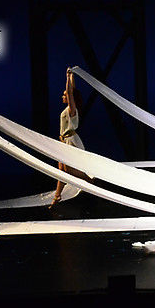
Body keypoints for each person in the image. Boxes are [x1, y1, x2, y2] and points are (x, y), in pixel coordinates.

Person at [49, 68, 93, 209]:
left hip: (70, 141)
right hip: (63, 141)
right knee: (61, 170)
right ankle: (57, 195)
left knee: (67, 169)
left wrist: (67, 77)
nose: (63, 96)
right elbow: (72, 91)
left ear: (69, 98)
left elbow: (70, 92)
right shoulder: (69, 109)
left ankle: (89, 180)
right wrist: (72, 76)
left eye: (64, 95)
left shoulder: (72, 110)